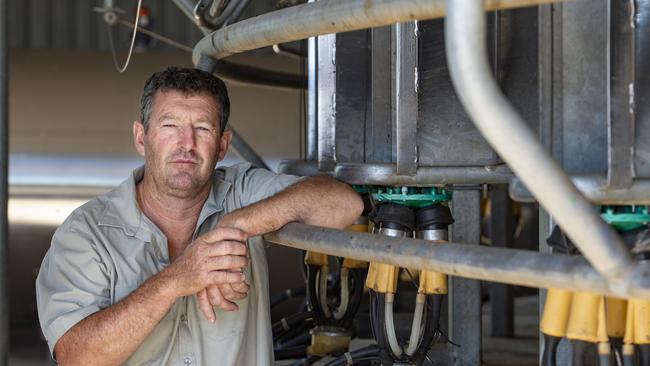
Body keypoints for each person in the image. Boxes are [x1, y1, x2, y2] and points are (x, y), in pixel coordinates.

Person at [36, 67, 363, 365]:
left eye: (202, 129)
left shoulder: (241, 193)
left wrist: (236, 224)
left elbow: (345, 204)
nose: (186, 144)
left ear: (222, 146)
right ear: (141, 138)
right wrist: (177, 280)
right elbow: (76, 357)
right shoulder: (88, 232)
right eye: (170, 126)